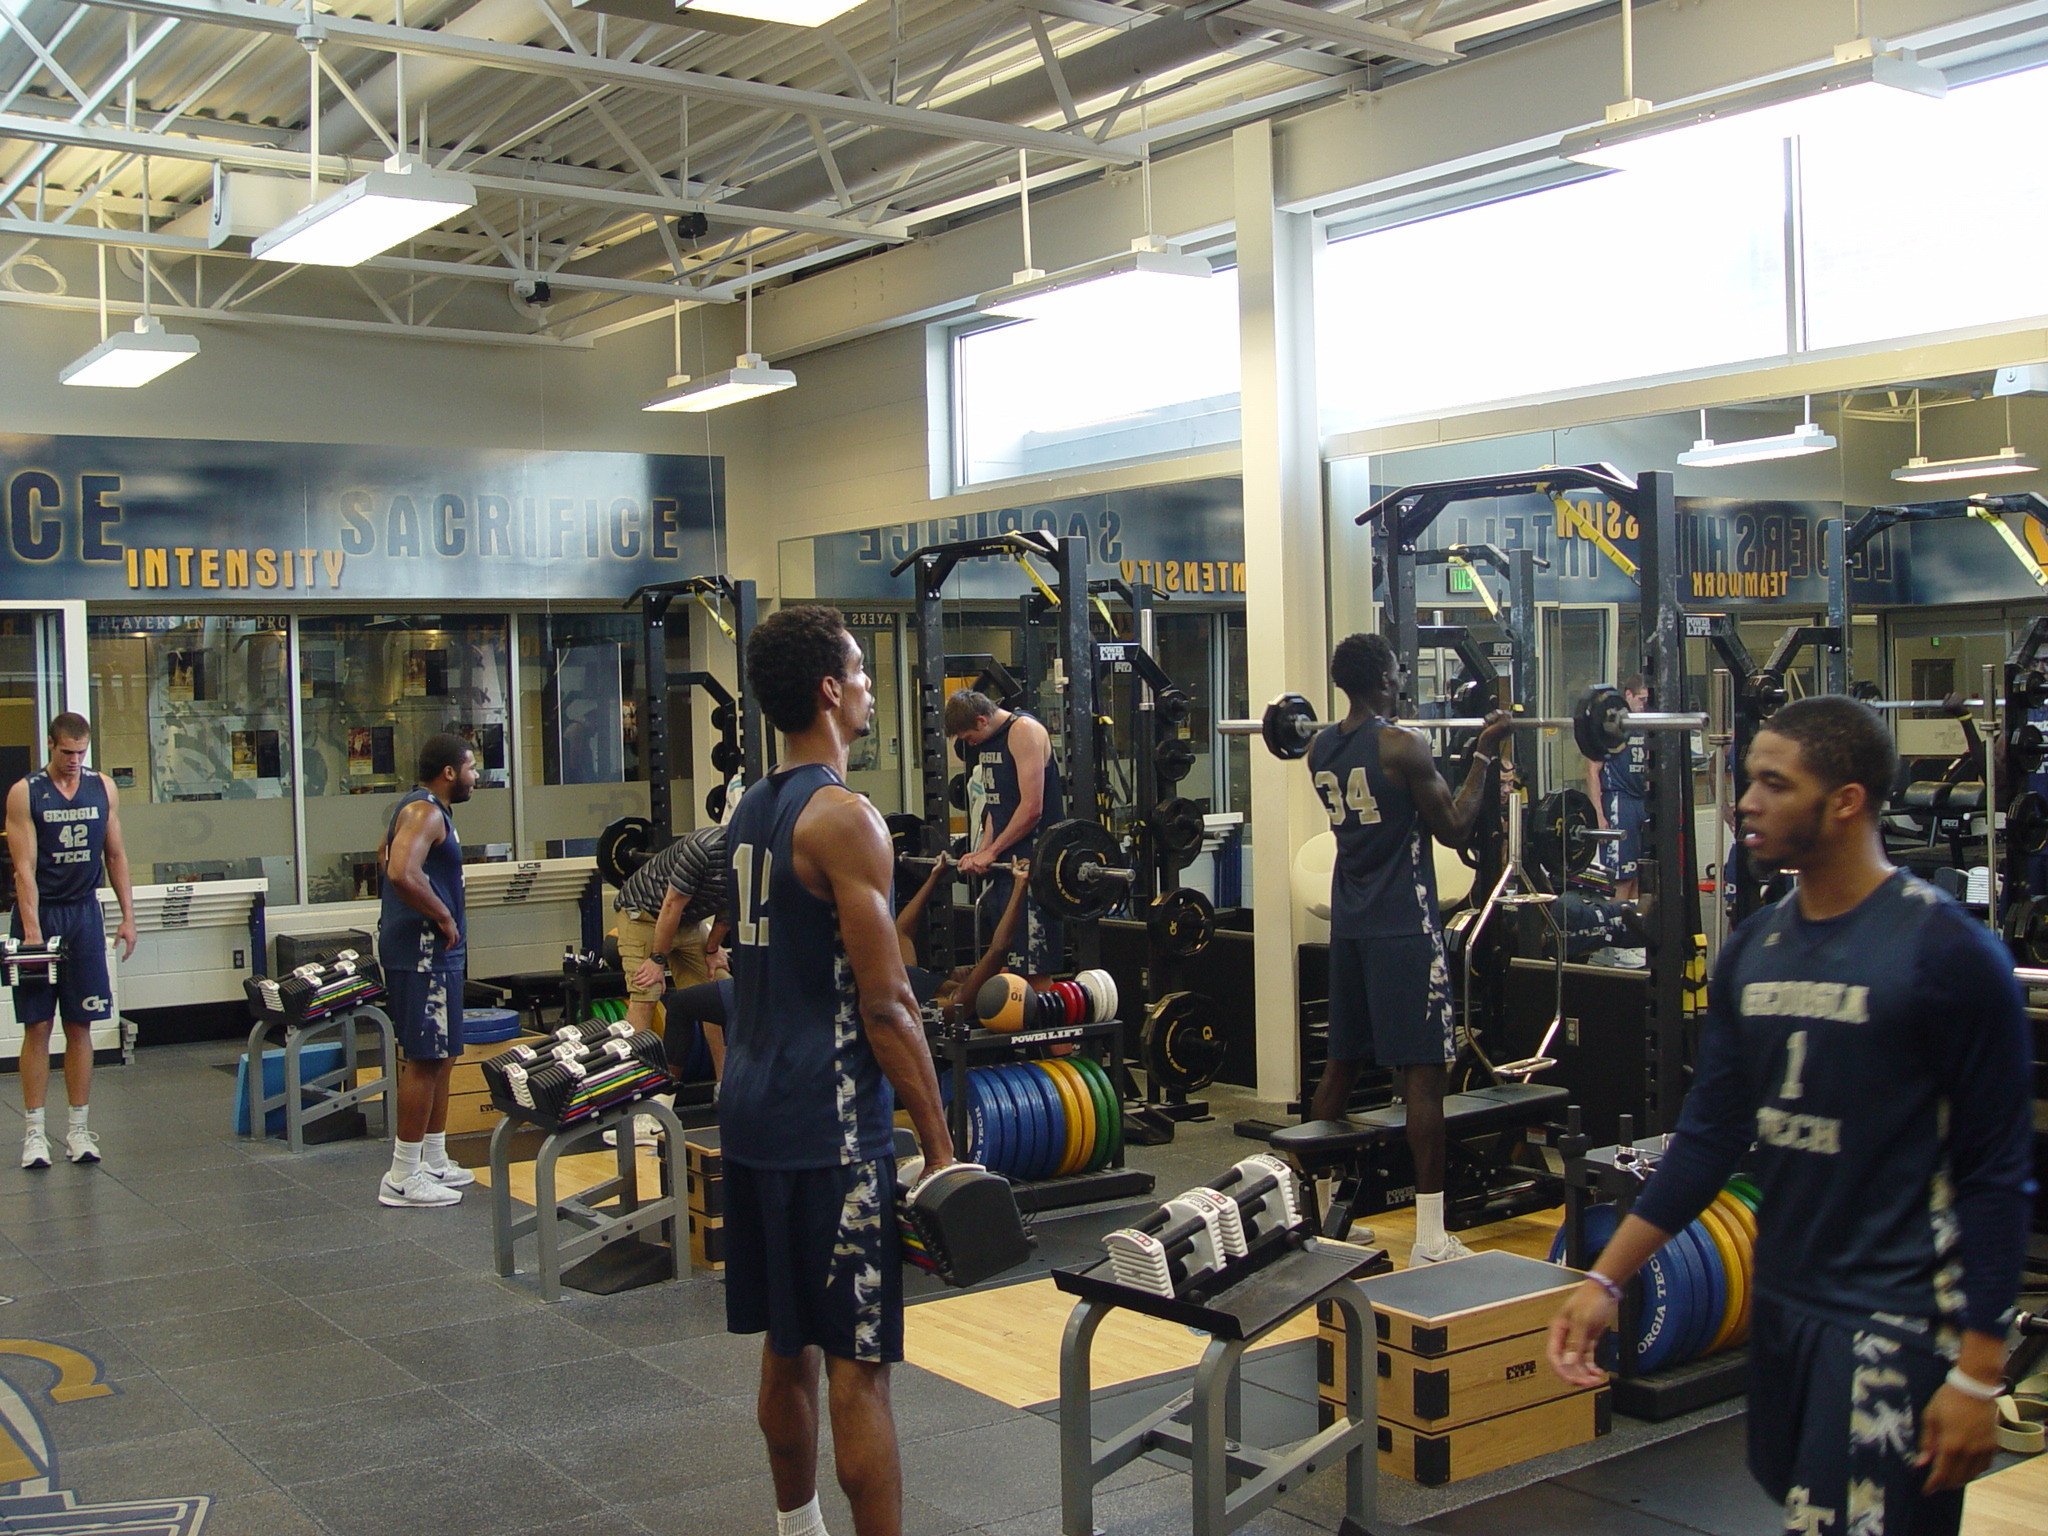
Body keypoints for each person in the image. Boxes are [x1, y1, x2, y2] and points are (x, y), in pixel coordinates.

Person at [1548, 696, 2033, 1536]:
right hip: (1786, 1311)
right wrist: (1603, 1276)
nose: (1745, 801)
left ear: (1845, 800)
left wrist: (1979, 1375)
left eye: (1774, 783)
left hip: (1895, 1324)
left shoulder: (1949, 952)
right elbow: (1708, 1139)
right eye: (1748, 781)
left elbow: (1996, 1177)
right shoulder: (1756, 948)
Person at [724, 604, 957, 1536]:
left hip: (750, 1114)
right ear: (828, 690)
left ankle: (798, 1530)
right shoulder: (844, 817)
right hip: (828, 1133)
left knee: (788, 1350)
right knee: (859, 1367)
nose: (868, 687)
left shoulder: (751, 808)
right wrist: (940, 1148)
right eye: (859, 672)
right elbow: (889, 1003)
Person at [1304, 633, 1511, 1267]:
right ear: (1378, 680)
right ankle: (1429, 1236)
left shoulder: (1317, 746)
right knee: (1425, 1076)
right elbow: (1454, 829)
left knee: (1340, 1065)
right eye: (1396, 671)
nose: (1402, 681)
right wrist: (1482, 756)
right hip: (1404, 926)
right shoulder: (1404, 745)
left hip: (1351, 923)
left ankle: (1319, 1221)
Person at [6, 713, 136, 1169]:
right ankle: (34, 1133)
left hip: (83, 912)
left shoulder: (102, 788)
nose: (74, 761)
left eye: (81, 754)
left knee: (81, 1025)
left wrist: (128, 918)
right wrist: (34, 934)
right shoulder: (26, 792)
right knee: (38, 1026)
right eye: (66, 753)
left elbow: (116, 854)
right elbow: (23, 870)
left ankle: (78, 1130)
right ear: (51, 745)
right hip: (40, 915)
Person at [374, 733, 480, 1209]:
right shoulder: (424, 811)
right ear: (450, 773)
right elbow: (398, 870)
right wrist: (439, 915)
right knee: (424, 1057)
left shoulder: (430, 812)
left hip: (438, 952)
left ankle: (433, 1157)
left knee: (444, 1054)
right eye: (472, 767)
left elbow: (384, 853)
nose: (477, 776)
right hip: (422, 952)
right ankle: (401, 1175)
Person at [945, 689, 1064, 973]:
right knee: (1005, 964)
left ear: (981, 720)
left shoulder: (1024, 731)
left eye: (967, 736)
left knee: (1032, 970)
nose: (967, 743)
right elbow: (997, 806)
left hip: (1033, 865)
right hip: (1005, 867)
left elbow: (1032, 808)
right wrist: (984, 851)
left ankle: (1037, 1018)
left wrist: (992, 851)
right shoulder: (988, 742)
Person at [620, 821, 731, 1037]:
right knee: (647, 991)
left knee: (718, 993)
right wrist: (657, 959)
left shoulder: (757, 854)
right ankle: (636, 1070)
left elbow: (729, 908)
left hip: (688, 921)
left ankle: (725, 1072)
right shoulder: (703, 847)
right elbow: (671, 904)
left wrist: (712, 949)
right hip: (644, 915)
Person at [1585, 675, 1651, 902]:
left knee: (1643, 877)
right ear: (1628, 695)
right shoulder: (1611, 728)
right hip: (1619, 802)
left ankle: (1634, 931)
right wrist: (1598, 815)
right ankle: (1615, 927)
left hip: (1643, 801)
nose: (1644, 705)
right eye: (1641, 699)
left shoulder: (1650, 727)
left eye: (1647, 700)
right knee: (1622, 878)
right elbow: (1592, 770)